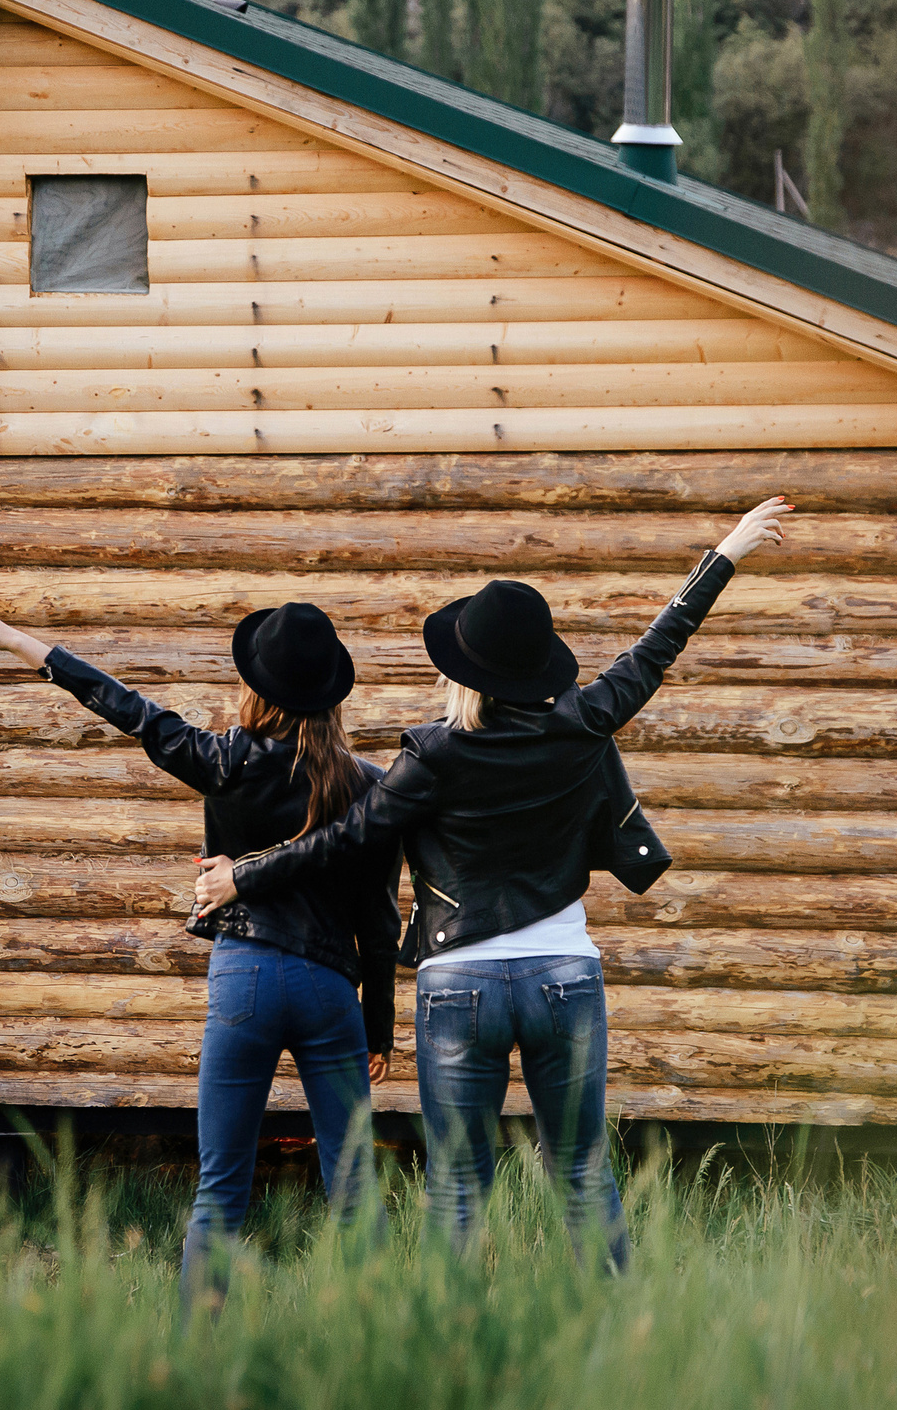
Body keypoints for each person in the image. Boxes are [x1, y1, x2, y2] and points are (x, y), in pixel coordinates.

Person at [194, 497, 790, 1271]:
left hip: (458, 986)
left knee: (455, 1189)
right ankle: (619, 1351)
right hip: (565, 976)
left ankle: (453, 1366)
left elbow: (343, 841)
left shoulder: (431, 757)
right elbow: (657, 647)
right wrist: (727, 553)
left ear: (462, 670)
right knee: (581, 1173)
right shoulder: (585, 721)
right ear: (539, 665)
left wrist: (245, 873)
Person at [0, 586, 397, 1310]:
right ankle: (378, 1349)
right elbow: (379, 921)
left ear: (257, 688)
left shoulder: (223, 761)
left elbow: (124, 707)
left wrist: (16, 640)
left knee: (222, 1186)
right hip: (330, 990)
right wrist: (380, 1028)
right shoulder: (366, 785)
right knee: (353, 1184)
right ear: (328, 694)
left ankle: (196, 1356)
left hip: (245, 978)